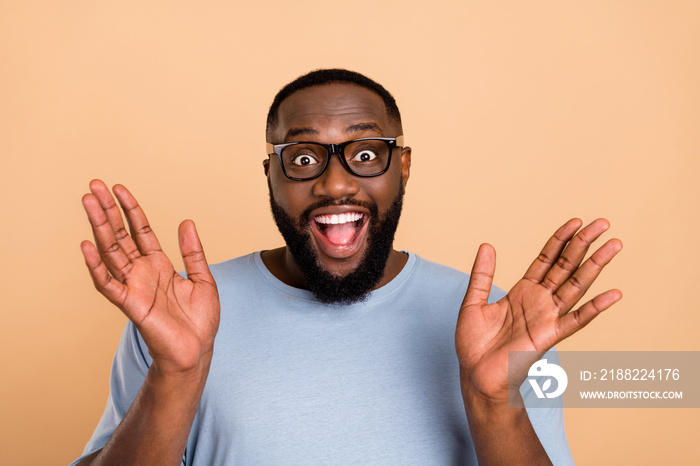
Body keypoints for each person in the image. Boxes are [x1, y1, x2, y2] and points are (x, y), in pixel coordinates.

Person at [72, 69, 622, 465]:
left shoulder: (501, 326)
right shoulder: (176, 317)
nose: (335, 183)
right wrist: (178, 376)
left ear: (403, 167)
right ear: (270, 175)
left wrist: (492, 403)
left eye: (365, 153)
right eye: (304, 157)